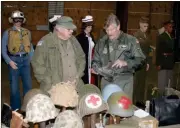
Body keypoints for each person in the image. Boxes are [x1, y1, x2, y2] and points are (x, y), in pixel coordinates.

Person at [92, 13, 146, 99]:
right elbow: (95, 61)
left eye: (111, 30)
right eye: (107, 30)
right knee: (107, 109)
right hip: (106, 82)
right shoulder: (102, 42)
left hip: (124, 82)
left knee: (122, 110)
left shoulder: (130, 40)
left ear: (118, 27)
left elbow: (141, 60)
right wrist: (96, 68)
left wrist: (126, 63)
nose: (109, 33)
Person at [31, 16, 86, 92]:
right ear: (59, 29)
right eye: (69, 29)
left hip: (75, 86)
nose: (72, 31)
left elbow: (81, 57)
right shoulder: (46, 41)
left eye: (72, 29)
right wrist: (48, 81)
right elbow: (37, 63)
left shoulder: (73, 40)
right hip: (54, 88)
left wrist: (78, 75)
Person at [1, 10, 33, 110]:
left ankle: (27, 107)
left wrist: (31, 59)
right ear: (12, 20)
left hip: (26, 60)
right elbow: (2, 50)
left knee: (28, 86)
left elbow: (30, 47)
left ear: (23, 20)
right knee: (14, 88)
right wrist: (9, 61)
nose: (18, 21)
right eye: (16, 20)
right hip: (13, 60)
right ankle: (16, 109)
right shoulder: (7, 33)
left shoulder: (27, 32)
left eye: (20, 19)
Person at [133, 17, 151, 103]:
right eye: (144, 26)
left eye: (147, 26)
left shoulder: (146, 36)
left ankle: (140, 101)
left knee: (142, 83)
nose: (146, 28)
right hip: (138, 62)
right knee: (136, 83)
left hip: (144, 62)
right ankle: (134, 101)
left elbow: (147, 51)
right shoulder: (136, 35)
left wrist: (147, 63)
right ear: (140, 24)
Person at [156, 20, 175, 96]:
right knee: (162, 82)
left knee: (169, 82)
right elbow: (159, 50)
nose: (171, 28)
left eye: (172, 27)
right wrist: (159, 63)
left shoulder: (171, 36)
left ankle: (167, 97)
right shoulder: (162, 36)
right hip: (163, 61)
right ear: (166, 27)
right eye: (170, 27)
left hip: (169, 62)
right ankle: (161, 97)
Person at [76, 15, 96, 84]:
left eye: (91, 27)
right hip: (84, 64)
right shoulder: (79, 38)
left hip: (91, 63)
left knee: (91, 81)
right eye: (88, 27)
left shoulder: (91, 36)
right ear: (84, 27)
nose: (90, 28)